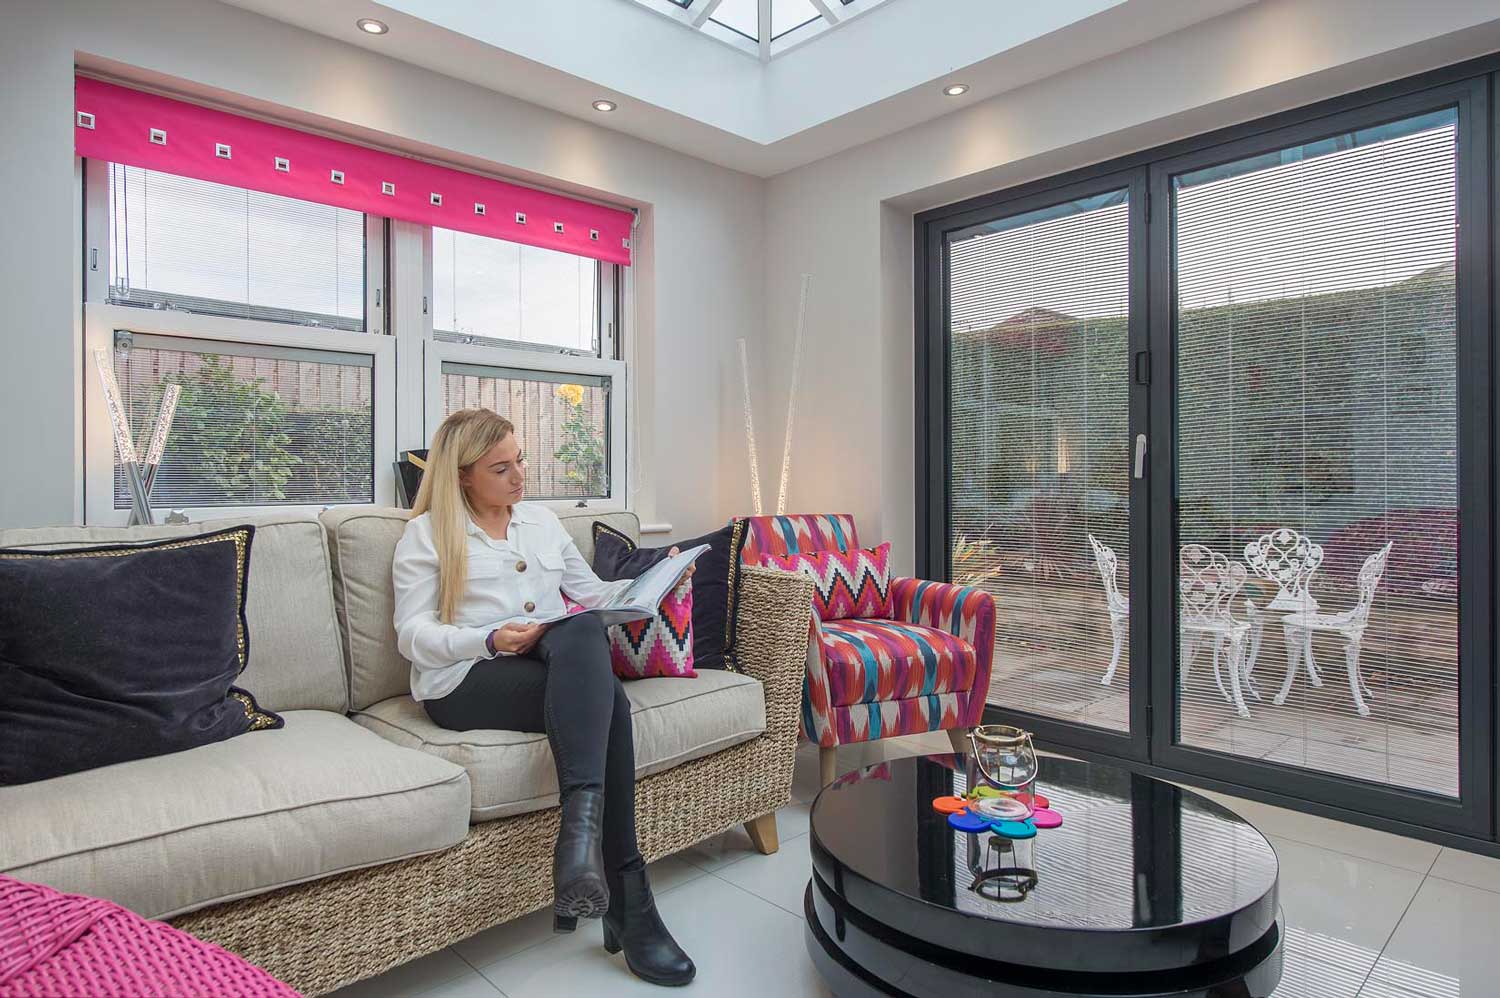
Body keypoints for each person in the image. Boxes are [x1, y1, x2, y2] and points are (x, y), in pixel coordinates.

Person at [392, 408, 694, 987]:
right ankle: (629, 902)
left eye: (520, 460)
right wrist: (487, 639)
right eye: (500, 468)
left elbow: (593, 595)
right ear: (462, 476)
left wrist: (658, 575)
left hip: (547, 664)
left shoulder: (542, 522)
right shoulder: (426, 534)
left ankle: (582, 839)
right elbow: (413, 634)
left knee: (580, 630)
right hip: (466, 679)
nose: (519, 476)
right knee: (608, 701)